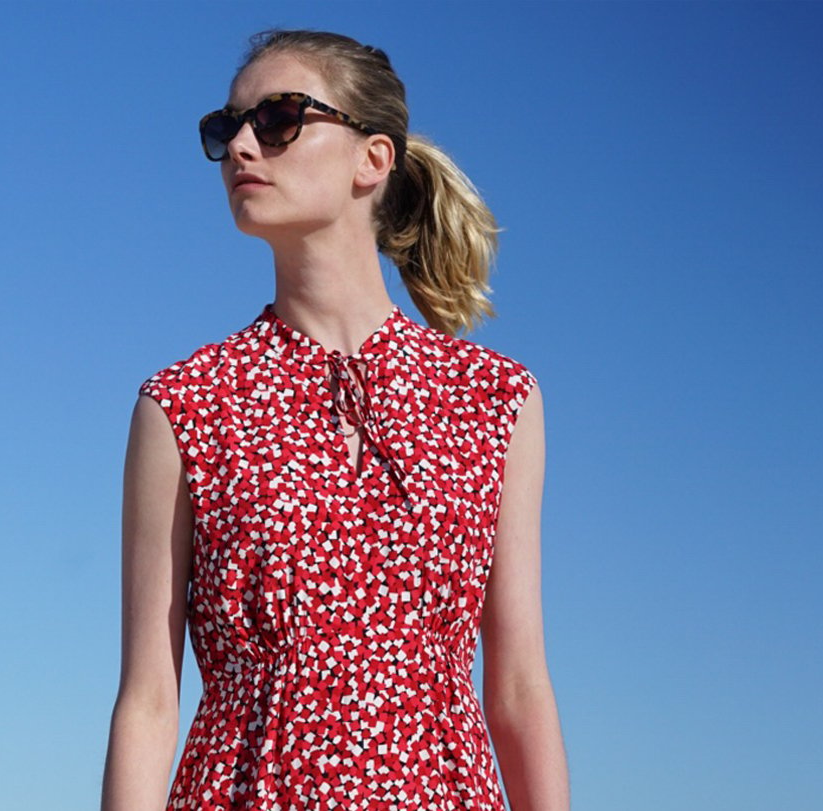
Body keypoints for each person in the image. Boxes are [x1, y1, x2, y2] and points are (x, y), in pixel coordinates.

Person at [102, 28, 568, 811]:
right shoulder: (184, 403)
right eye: (226, 129)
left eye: (280, 118)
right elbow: (149, 698)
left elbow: (518, 684)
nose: (243, 146)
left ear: (371, 159)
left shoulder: (494, 399)